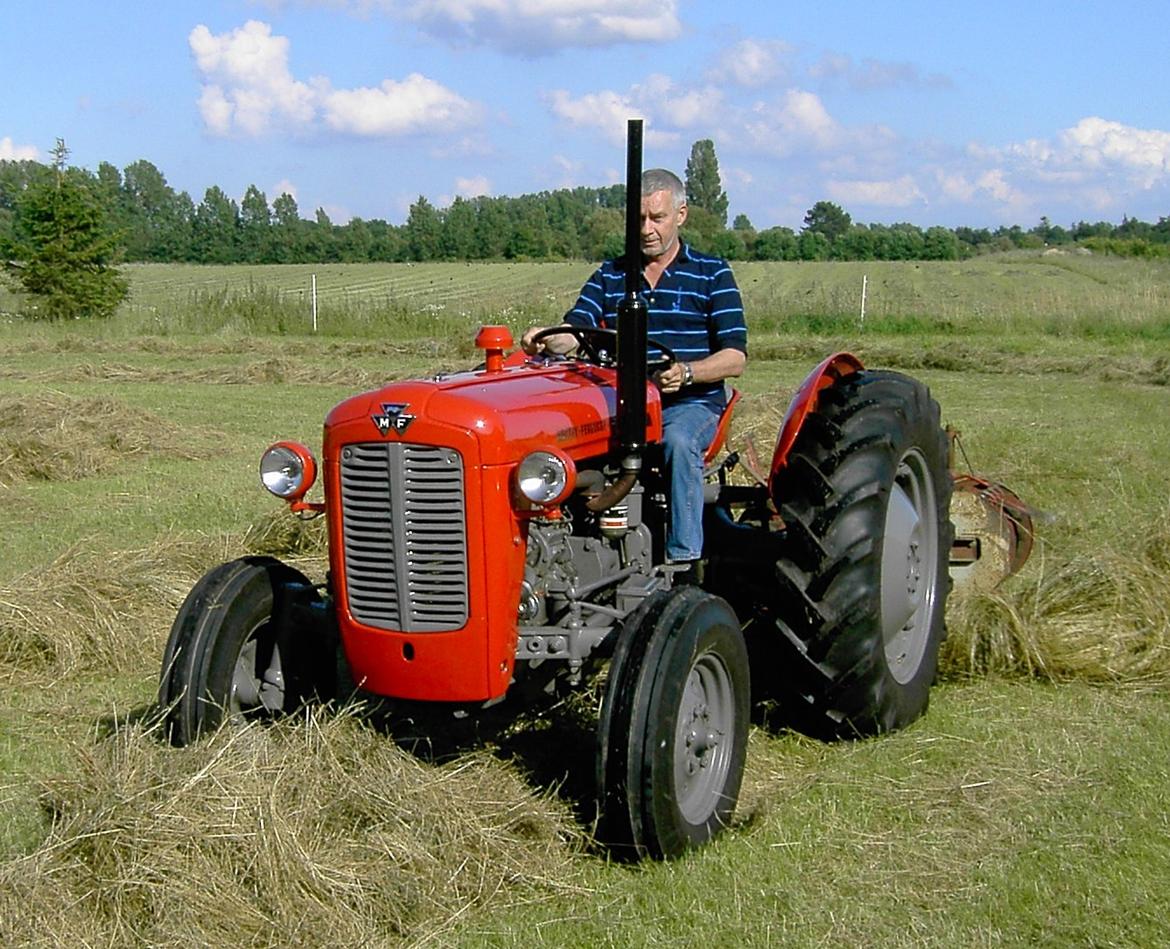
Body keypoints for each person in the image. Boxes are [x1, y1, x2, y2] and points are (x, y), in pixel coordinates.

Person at [522, 168, 747, 569]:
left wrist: (689, 373)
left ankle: (683, 562)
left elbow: (735, 356)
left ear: (681, 215)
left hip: (688, 403)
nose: (646, 229)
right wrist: (546, 336)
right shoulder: (611, 275)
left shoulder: (711, 273)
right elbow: (578, 332)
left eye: (656, 218)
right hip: (620, 402)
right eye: (638, 219)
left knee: (678, 443)